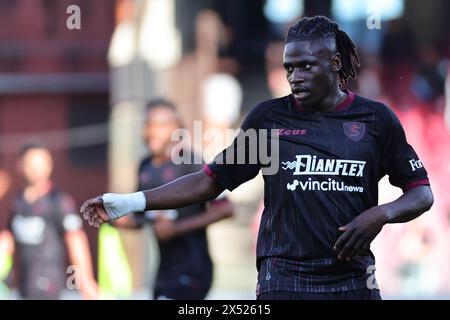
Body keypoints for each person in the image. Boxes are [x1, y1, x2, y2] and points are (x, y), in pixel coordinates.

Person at [80, 16, 434, 300]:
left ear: (335, 62)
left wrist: (381, 214)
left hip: (353, 280)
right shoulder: (269, 120)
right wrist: (129, 202)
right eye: (289, 68)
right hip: (284, 279)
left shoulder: (374, 120)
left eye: (307, 66)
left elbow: (421, 193)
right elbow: (208, 181)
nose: (296, 77)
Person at [113, 99, 234, 299]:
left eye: (159, 125)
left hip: (193, 267)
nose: (151, 132)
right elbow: (146, 216)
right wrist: (120, 219)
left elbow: (226, 209)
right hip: (164, 270)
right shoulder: (145, 167)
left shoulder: (192, 162)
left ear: (176, 128)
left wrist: (176, 228)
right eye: (147, 125)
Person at [0, 143, 98, 299]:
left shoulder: (58, 201)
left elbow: (75, 239)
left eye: (41, 164)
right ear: (20, 165)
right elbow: (7, 238)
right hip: (22, 287)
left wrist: (86, 280)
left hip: (48, 286)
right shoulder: (17, 202)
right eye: (32, 164)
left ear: (49, 166)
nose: (36, 169)